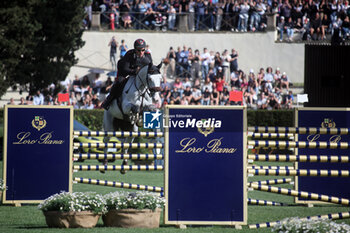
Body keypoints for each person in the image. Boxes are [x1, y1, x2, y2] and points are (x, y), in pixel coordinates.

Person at [101, 38, 153, 110]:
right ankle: (108, 100)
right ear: (135, 49)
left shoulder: (148, 55)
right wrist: (135, 71)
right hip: (126, 72)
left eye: (143, 50)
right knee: (119, 82)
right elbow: (125, 69)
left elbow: (151, 68)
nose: (141, 52)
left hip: (140, 75)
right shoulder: (129, 54)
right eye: (139, 50)